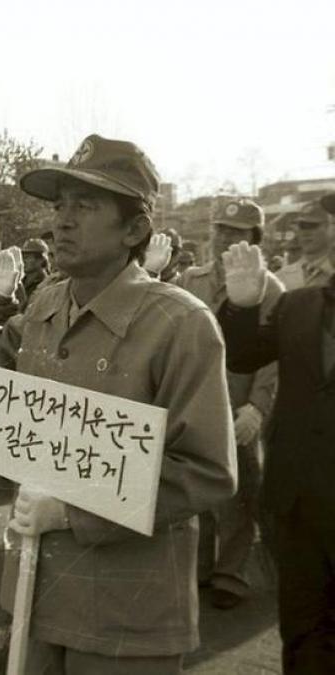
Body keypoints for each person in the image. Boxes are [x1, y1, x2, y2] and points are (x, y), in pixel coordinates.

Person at [0, 135, 236, 674]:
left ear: (134, 229)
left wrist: (75, 508)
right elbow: (1, 399)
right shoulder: (47, 303)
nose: (62, 221)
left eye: (86, 205)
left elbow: (206, 472)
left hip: (125, 615)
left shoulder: (181, 324)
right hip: (37, 590)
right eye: (59, 205)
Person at [216, 194, 335, 672]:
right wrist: (243, 306)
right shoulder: (300, 302)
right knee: (304, 636)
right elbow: (244, 356)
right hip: (300, 504)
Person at [178, 199, 284, 609]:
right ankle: (200, 566)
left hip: (237, 400)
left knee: (240, 491)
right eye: (220, 229)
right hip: (192, 395)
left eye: (237, 233)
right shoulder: (193, 278)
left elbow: (273, 355)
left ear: (254, 240)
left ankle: (231, 573)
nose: (225, 238)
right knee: (193, 486)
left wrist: (258, 406)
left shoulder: (269, 287)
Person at [276, 200, 334, 290]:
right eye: (301, 226)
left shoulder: (331, 272)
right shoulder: (281, 278)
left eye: (312, 226)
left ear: (330, 227)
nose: (305, 233)